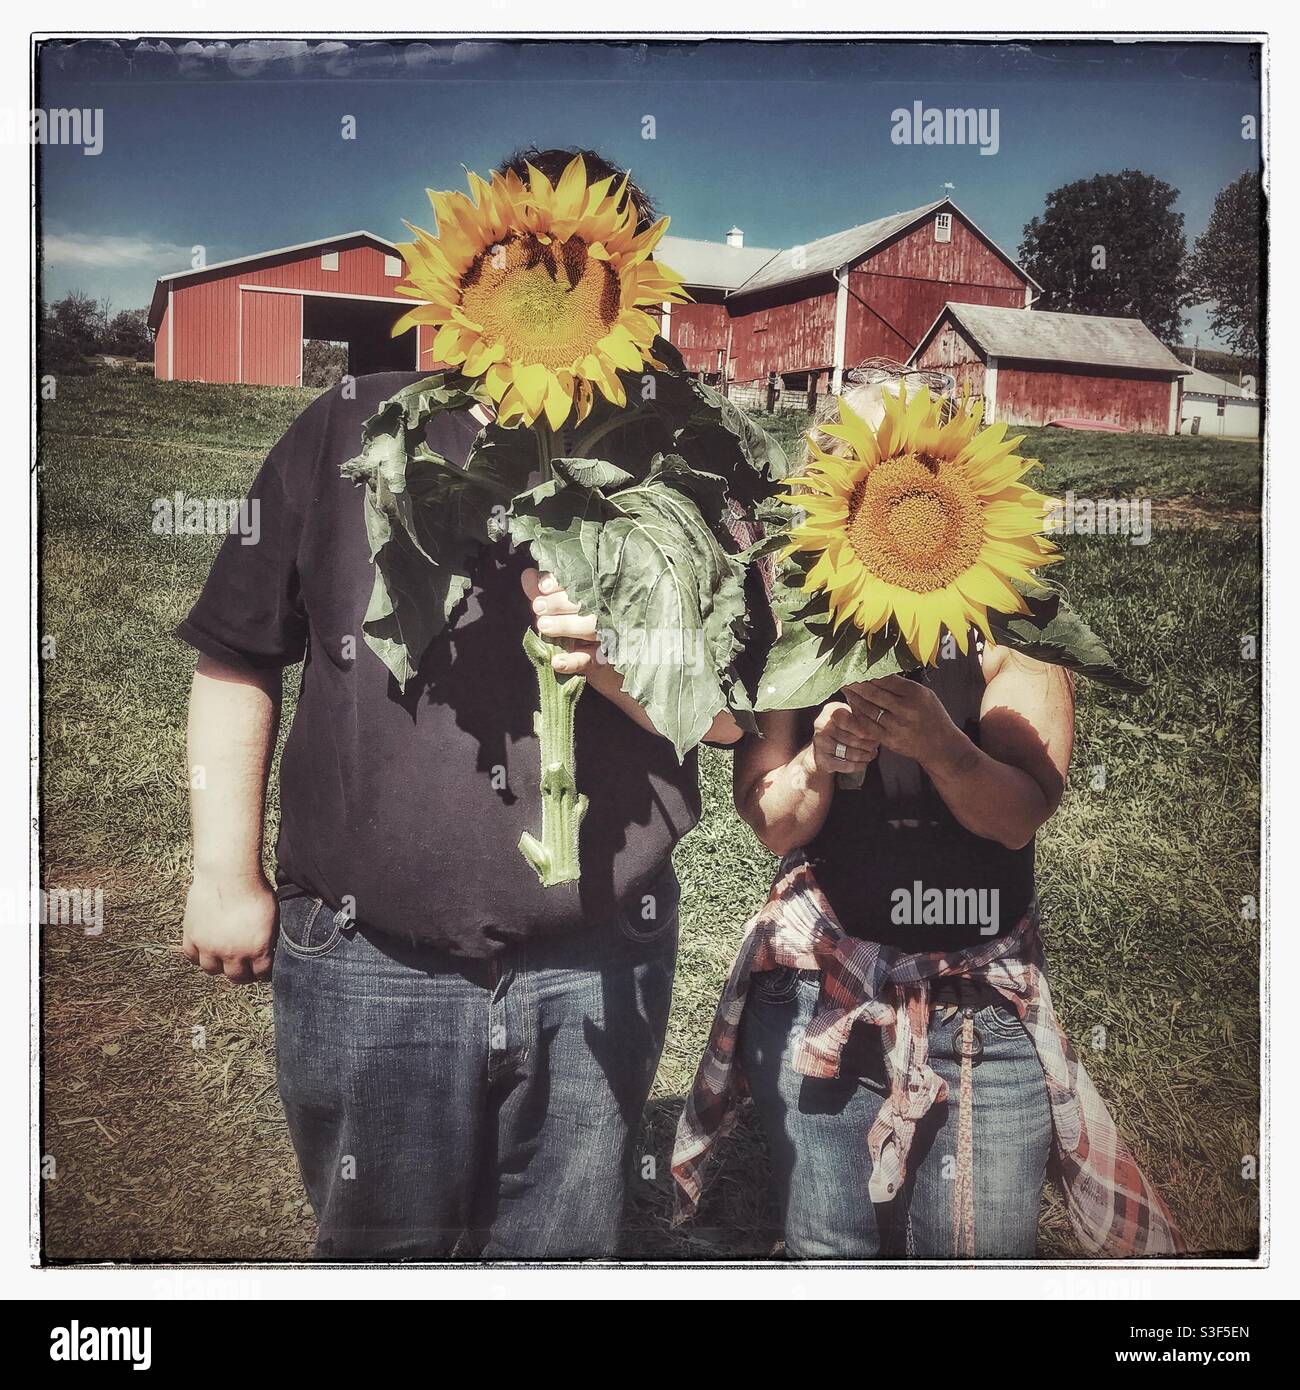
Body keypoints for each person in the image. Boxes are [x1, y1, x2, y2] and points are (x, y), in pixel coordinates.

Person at [177, 146, 761, 1261]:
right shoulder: (353, 430)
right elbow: (238, 651)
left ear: (629, 290)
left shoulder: (683, 462)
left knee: (561, 1254)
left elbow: (736, 714)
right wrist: (221, 871)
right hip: (365, 959)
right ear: (463, 282)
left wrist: (625, 668)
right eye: (518, 269)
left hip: (594, 957)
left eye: (584, 280)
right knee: (380, 1257)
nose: (546, 299)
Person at [671, 371, 1184, 1260]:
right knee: (829, 1248)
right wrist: (820, 759)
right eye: (852, 463)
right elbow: (773, 822)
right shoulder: (800, 610)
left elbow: (1021, 811)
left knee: (977, 1254)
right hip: (823, 983)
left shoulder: (1007, 607)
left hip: (978, 998)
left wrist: (944, 748)